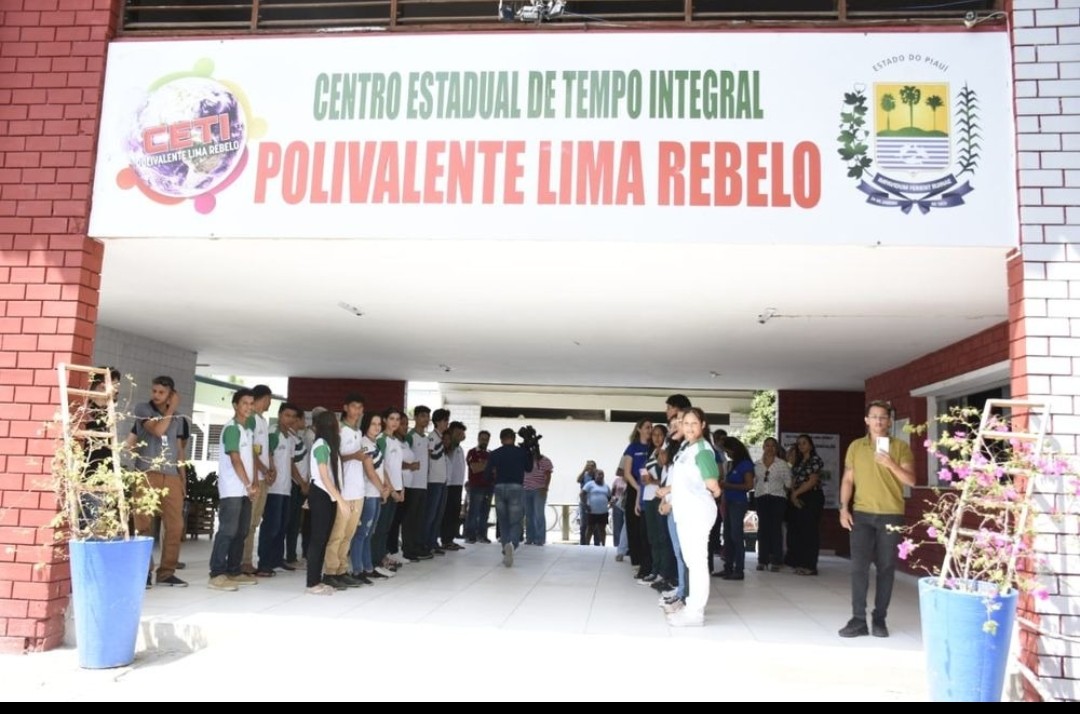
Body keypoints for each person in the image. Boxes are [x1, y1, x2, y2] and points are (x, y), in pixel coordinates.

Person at [838, 401, 915, 639]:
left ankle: (879, 618)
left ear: (889, 421)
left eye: (883, 417)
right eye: (874, 417)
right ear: (867, 420)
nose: (878, 421)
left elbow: (911, 480)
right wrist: (843, 508)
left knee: (886, 568)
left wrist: (890, 463)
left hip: (891, 514)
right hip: (861, 514)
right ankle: (858, 619)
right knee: (858, 568)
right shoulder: (856, 447)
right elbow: (848, 480)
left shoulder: (900, 447)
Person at [129, 375, 190, 588]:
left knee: (175, 525)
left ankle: (167, 573)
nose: (156, 395)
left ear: (171, 394)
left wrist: (183, 478)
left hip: (171, 475)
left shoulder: (180, 419)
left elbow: (180, 449)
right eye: (154, 391)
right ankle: (144, 571)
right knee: (143, 524)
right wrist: (171, 408)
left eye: (161, 392)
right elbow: (158, 430)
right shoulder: (143, 409)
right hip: (147, 472)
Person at [664, 408, 722, 627]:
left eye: (694, 423)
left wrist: (714, 491)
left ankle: (695, 613)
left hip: (696, 513)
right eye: (685, 423)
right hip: (686, 511)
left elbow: (712, 482)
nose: (688, 427)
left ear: (703, 425)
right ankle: (691, 607)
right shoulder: (687, 448)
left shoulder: (703, 450)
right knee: (691, 562)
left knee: (696, 564)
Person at [208, 388, 259, 592]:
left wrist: (252, 484)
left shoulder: (247, 429)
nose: (249, 407)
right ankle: (216, 573)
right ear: (236, 405)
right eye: (245, 403)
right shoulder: (232, 429)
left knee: (242, 531)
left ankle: (234, 570)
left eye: (251, 403)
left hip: (245, 489)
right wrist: (248, 484)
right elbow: (235, 459)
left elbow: (250, 459)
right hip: (232, 488)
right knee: (228, 530)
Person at [325, 394, 368, 588]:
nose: (357, 411)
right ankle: (330, 571)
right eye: (354, 407)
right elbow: (334, 458)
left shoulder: (358, 432)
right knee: (338, 533)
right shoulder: (340, 430)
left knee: (349, 533)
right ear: (345, 408)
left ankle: (342, 569)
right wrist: (354, 455)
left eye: (360, 407)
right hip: (344, 490)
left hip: (357, 489)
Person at [305, 409, 350, 596]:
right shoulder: (321, 445)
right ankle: (311, 583)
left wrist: (340, 498)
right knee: (317, 539)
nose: (338, 427)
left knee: (323, 539)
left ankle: (317, 579)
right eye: (335, 423)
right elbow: (324, 476)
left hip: (328, 496)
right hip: (321, 495)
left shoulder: (329, 446)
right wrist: (340, 501)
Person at [256, 402, 301, 576]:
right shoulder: (273, 433)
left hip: (286, 488)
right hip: (273, 488)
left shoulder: (290, 437)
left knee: (282, 526)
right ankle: (264, 562)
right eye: (287, 415)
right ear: (280, 414)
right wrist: (271, 471)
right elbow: (268, 455)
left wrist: (300, 482)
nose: (290, 419)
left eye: (293, 417)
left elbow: (290, 462)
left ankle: (276, 559)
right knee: (271, 526)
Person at [484, 428, 533, 567]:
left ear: (501, 439)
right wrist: (528, 452)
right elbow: (529, 468)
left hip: (499, 487)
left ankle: (505, 546)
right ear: (514, 438)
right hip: (516, 488)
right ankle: (512, 544)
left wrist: (491, 480)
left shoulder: (495, 453)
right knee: (515, 521)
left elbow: (487, 474)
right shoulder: (521, 452)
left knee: (503, 520)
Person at [240, 384, 274, 575]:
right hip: (254, 478)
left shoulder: (263, 420)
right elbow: (251, 449)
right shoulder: (252, 419)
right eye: (269, 399)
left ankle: (247, 561)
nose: (270, 403)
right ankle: (243, 561)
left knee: (255, 522)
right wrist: (261, 470)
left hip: (262, 477)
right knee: (248, 521)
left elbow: (264, 450)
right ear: (264, 398)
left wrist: (270, 468)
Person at [372, 407, 407, 576]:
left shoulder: (396, 441)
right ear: (384, 420)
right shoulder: (381, 439)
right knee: (379, 527)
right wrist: (391, 490)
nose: (395, 422)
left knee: (387, 527)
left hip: (396, 489)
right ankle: (375, 561)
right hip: (384, 490)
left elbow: (397, 467)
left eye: (397, 419)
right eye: (391, 418)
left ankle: (382, 556)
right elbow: (381, 467)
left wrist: (402, 489)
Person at [619, 420, 654, 580]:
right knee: (634, 526)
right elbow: (626, 473)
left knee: (647, 528)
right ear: (639, 429)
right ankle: (637, 562)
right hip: (636, 489)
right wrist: (638, 488)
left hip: (652, 489)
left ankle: (650, 562)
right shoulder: (632, 448)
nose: (650, 430)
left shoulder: (654, 447)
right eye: (647, 427)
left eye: (651, 427)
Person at [717, 436, 754, 581]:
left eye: (728, 451)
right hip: (729, 502)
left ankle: (739, 569)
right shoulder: (733, 464)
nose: (727, 454)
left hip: (738, 503)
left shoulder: (745, 464)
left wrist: (728, 486)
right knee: (727, 535)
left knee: (736, 535)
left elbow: (749, 486)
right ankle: (728, 567)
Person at [753, 436, 792, 572]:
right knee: (763, 529)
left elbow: (788, 483)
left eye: (773, 446)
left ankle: (776, 560)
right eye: (767, 445)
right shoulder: (757, 464)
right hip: (761, 498)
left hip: (777, 498)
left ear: (776, 449)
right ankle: (762, 560)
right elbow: (755, 482)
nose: (770, 448)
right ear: (763, 447)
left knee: (775, 529)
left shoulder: (782, 464)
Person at [789, 434, 826, 576]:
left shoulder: (815, 460)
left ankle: (810, 565)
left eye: (804, 443)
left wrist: (795, 493)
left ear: (810, 445)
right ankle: (800, 562)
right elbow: (792, 479)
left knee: (810, 531)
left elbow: (812, 481)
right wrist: (793, 494)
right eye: (799, 444)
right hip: (798, 496)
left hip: (812, 496)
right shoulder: (798, 462)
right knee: (799, 531)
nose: (801, 446)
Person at [423, 408, 452, 556]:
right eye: (445, 420)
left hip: (442, 481)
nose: (447, 423)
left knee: (438, 514)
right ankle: (426, 543)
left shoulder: (441, 437)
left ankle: (433, 542)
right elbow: (428, 457)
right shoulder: (432, 437)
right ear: (438, 421)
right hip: (433, 481)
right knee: (431, 514)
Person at [440, 421, 468, 550]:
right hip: (449, 485)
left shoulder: (459, 448)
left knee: (454, 513)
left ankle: (450, 538)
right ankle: (445, 540)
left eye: (462, 433)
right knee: (448, 513)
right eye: (458, 433)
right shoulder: (449, 447)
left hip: (457, 485)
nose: (461, 435)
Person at [465, 430, 492, 543]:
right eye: (482, 438)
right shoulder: (472, 452)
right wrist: (488, 465)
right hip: (476, 486)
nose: (484, 441)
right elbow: (475, 468)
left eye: (486, 439)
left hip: (489, 486)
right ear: (478, 438)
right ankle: (470, 536)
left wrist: (483, 465)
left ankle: (482, 535)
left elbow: (495, 470)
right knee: (474, 512)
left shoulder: (490, 453)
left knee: (485, 513)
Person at [523, 447, 553, 546]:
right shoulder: (526, 460)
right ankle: (529, 538)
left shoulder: (545, 460)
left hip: (539, 490)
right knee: (528, 516)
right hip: (526, 490)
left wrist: (545, 488)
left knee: (538, 514)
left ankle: (540, 539)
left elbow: (548, 475)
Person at [581, 470, 611, 545]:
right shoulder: (590, 484)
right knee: (590, 528)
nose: (600, 476)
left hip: (603, 511)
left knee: (602, 529)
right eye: (599, 474)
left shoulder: (606, 486)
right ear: (595, 475)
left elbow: (609, 497)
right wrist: (585, 504)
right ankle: (587, 544)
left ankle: (603, 544)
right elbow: (582, 494)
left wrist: (611, 502)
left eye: (602, 475)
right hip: (592, 511)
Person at [576, 460, 599, 545]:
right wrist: (584, 470)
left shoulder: (597, 475)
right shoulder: (584, 475)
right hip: (584, 501)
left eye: (592, 466)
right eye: (588, 466)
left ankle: (597, 543)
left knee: (596, 524)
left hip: (595, 502)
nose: (590, 468)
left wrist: (595, 472)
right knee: (584, 524)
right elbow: (578, 480)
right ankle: (583, 543)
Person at [610, 472, 628, 561]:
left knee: (626, 527)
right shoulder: (617, 480)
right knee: (618, 526)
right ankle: (618, 546)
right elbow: (613, 491)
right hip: (619, 504)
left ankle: (623, 549)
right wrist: (612, 500)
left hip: (628, 505)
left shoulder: (630, 481)